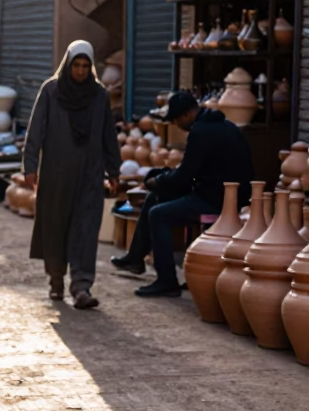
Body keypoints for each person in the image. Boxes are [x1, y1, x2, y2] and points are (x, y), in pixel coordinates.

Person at [112, 90, 253, 298]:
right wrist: (163, 181)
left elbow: (185, 176)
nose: (177, 125)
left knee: (158, 214)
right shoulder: (224, 125)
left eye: (177, 119)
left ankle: (167, 280)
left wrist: (157, 180)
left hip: (219, 201)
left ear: (186, 114)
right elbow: (195, 170)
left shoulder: (201, 132)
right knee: (155, 198)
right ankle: (135, 258)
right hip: (222, 192)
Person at [22, 40, 120, 310]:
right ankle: (56, 280)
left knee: (86, 229)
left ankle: (81, 286)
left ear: (91, 68)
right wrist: (30, 166)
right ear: (68, 64)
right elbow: (36, 130)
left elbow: (108, 134)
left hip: (89, 174)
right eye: (76, 65)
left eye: (85, 66)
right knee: (56, 227)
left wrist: (114, 170)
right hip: (56, 173)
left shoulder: (99, 95)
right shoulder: (51, 91)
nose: (79, 71)